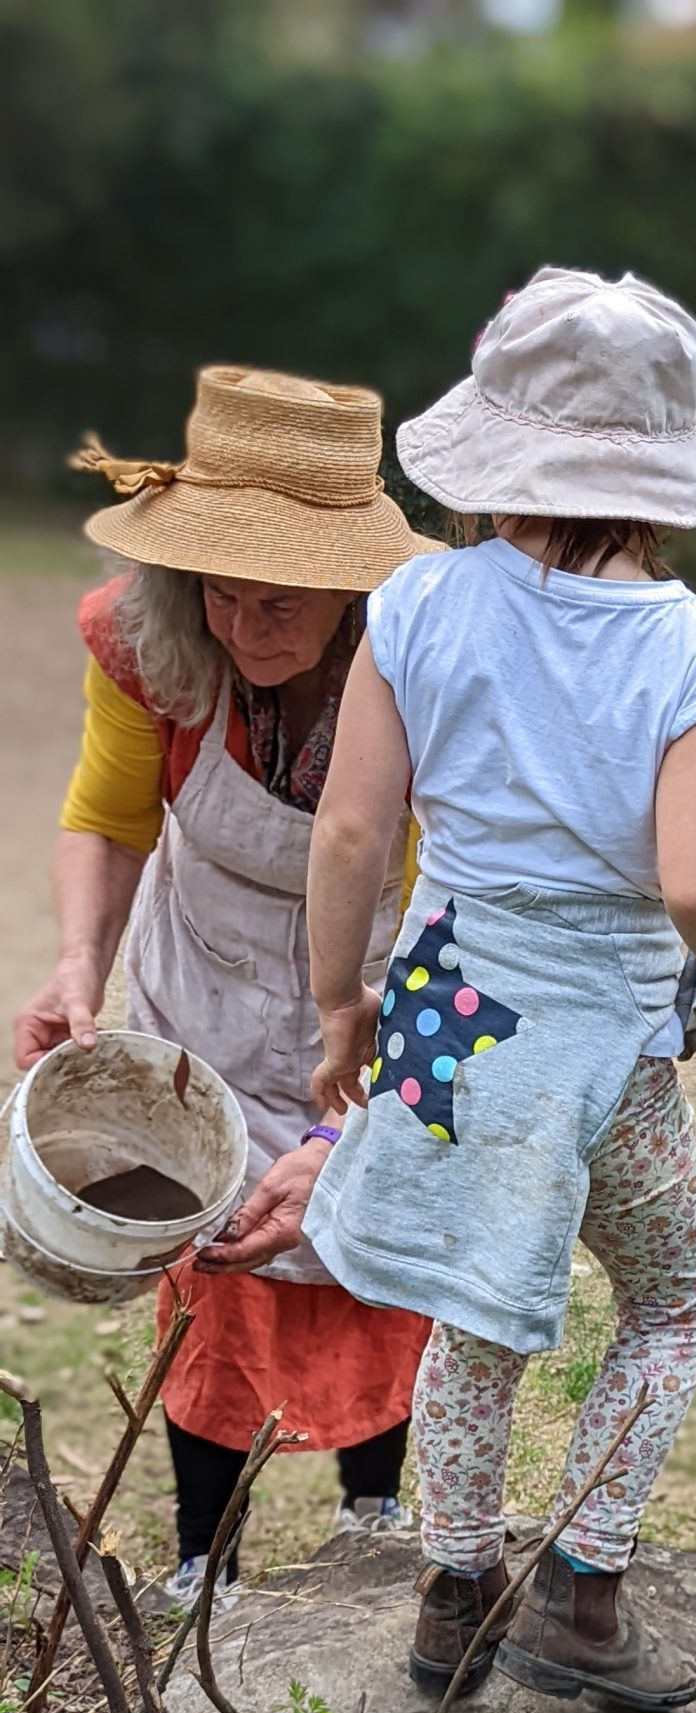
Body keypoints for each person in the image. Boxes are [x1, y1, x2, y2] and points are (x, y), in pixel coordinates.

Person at [301, 266, 696, 1710]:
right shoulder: (694, 648)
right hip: (600, 1054)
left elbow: (351, 831)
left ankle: (454, 1599)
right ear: (661, 475)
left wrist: (343, 1007)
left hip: (447, 1027)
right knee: (681, 1296)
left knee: (477, 1303)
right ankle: (582, 1589)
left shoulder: (417, 601)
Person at [14, 367, 437, 1600]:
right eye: (225, 591)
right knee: (216, 1276)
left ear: (355, 585)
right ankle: (210, 1561)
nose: (249, 624)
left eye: (283, 599)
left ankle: (377, 1518)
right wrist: (80, 959)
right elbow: (104, 816)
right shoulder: (146, 637)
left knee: (375, 1250)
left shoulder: (428, 673)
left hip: (379, 980)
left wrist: (355, 1100)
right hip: (200, 977)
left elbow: (452, 900)